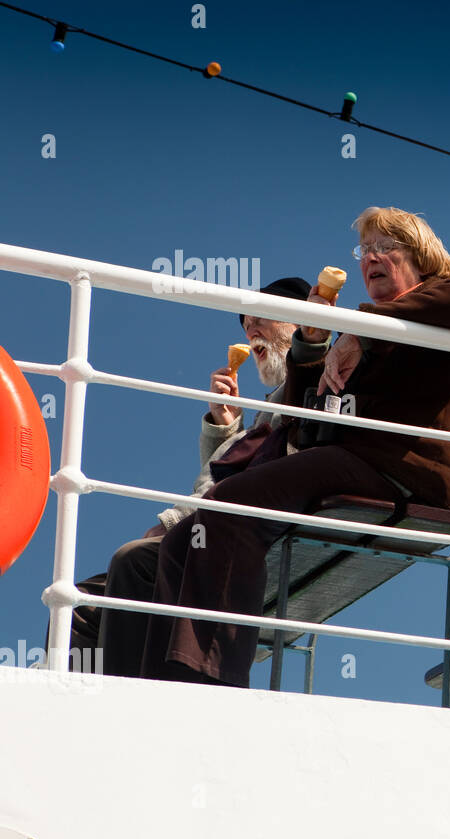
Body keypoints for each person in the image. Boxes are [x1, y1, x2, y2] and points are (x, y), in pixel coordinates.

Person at [134, 207, 450, 686]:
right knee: (186, 534)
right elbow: (304, 427)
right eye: (364, 250)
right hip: (355, 460)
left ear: (420, 255)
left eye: (385, 247)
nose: (371, 258)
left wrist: (358, 334)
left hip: (407, 470)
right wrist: (313, 344)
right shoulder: (371, 330)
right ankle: (159, 679)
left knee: (231, 504)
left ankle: (214, 677)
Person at [85, 277, 317, 675]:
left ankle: (122, 700)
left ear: (300, 323)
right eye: (246, 325)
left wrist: (176, 523)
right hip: (218, 524)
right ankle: (71, 705)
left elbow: (265, 472)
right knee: (83, 603)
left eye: (262, 319)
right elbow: (226, 474)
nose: (251, 330)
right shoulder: (264, 411)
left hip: (257, 530)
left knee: (134, 563)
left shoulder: (313, 378)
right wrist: (225, 426)